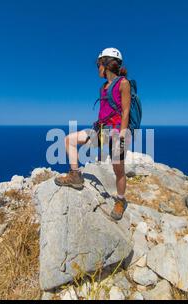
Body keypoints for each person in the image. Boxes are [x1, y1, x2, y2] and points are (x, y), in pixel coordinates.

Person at [54, 47, 131, 221]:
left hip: (118, 131)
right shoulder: (103, 88)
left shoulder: (124, 83)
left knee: (118, 168)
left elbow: (126, 111)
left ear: (107, 64)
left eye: (99, 64)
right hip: (102, 130)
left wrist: (122, 135)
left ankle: (120, 201)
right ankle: (75, 175)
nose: (98, 68)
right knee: (69, 140)